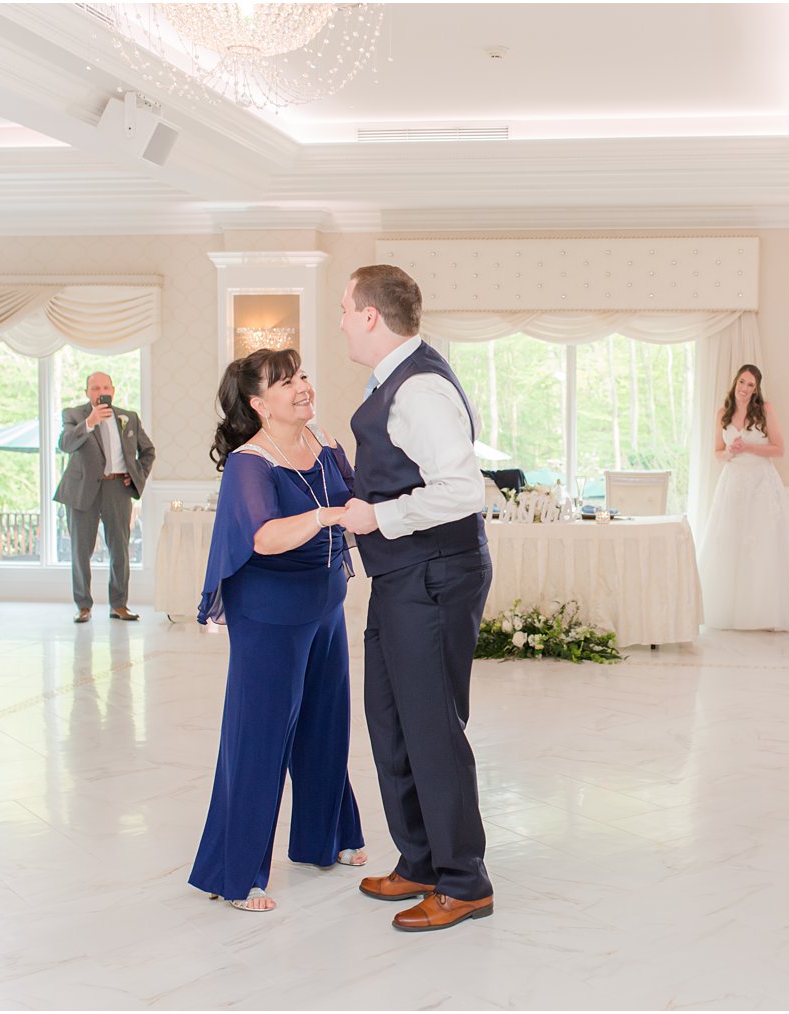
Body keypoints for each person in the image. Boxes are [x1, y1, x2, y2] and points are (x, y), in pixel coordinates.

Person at [335, 264, 495, 933]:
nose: (341, 318)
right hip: (406, 575)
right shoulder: (396, 381)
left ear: (371, 315)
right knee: (391, 721)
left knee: (431, 730)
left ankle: (465, 880)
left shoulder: (419, 387)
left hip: (432, 574)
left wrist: (377, 519)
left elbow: (464, 490)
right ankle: (423, 858)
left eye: (345, 307)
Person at [189, 348, 366, 914]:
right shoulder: (250, 462)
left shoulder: (326, 443)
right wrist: (323, 517)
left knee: (325, 724)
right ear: (258, 403)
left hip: (325, 605)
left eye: (303, 376)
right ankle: (234, 871)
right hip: (268, 612)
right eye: (285, 382)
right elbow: (263, 537)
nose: (302, 388)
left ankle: (325, 836)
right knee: (260, 737)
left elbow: (358, 504)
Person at [696, 364, 789, 631]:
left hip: (762, 483)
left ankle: (764, 612)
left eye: (751, 385)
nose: (745, 389)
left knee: (763, 542)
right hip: (733, 483)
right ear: (735, 383)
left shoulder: (765, 411)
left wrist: (748, 446)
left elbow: (779, 449)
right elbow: (717, 453)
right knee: (730, 541)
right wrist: (730, 451)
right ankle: (728, 611)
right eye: (742, 382)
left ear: (756, 388)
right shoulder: (722, 414)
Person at [54, 372, 156, 623]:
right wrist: (89, 422)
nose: (101, 392)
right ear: (87, 392)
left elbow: (148, 451)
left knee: (120, 549)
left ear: (113, 390)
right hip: (82, 490)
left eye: (105, 387)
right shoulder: (74, 415)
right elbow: (65, 444)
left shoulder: (128, 417)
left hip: (117, 489)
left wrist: (135, 476)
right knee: (80, 550)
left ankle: (119, 604)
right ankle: (83, 606)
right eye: (95, 388)